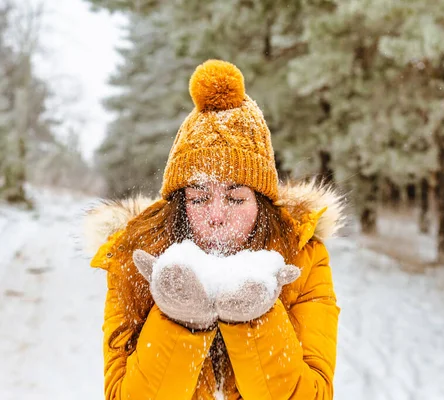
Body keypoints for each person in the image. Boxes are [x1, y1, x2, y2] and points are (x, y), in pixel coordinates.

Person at [85, 59, 344, 400]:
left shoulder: (303, 256)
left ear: (261, 203)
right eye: (199, 198)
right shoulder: (132, 260)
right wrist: (179, 318)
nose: (217, 216)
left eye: (236, 199)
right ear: (180, 205)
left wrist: (254, 319)